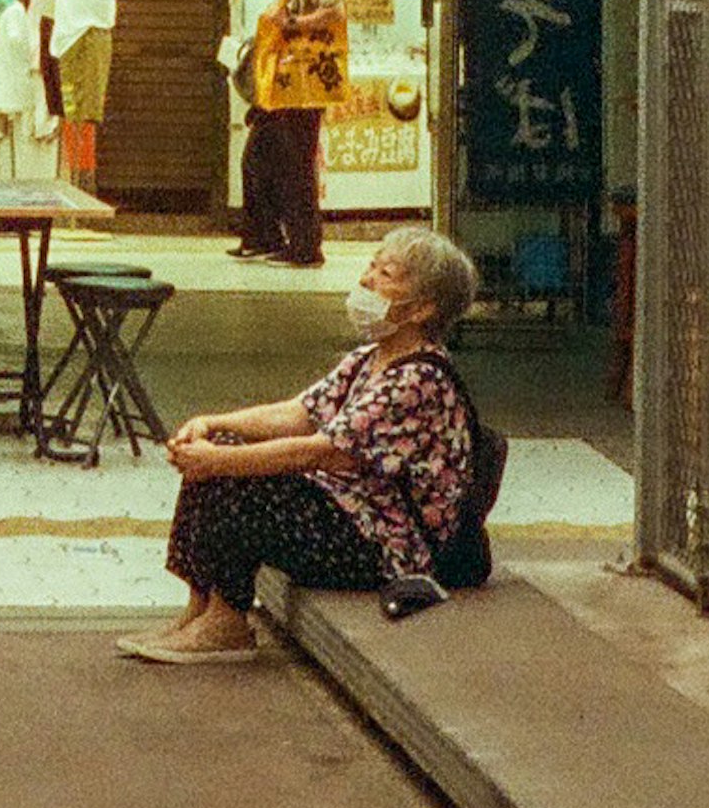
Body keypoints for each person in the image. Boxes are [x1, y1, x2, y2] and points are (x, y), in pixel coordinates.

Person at [126, 227, 491, 661]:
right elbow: (299, 413)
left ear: (423, 308)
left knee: (240, 475)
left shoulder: (418, 380)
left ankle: (228, 621)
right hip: (351, 515)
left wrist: (219, 460)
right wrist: (212, 424)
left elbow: (320, 450)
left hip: (387, 545)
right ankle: (201, 608)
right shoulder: (369, 358)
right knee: (223, 452)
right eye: (371, 266)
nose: (366, 280)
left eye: (386, 273)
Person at [225, 0, 349, 264]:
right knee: (260, 159)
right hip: (277, 86)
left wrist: (294, 23)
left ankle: (304, 246)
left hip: (300, 86)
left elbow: (336, 11)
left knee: (294, 165)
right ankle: (264, 236)